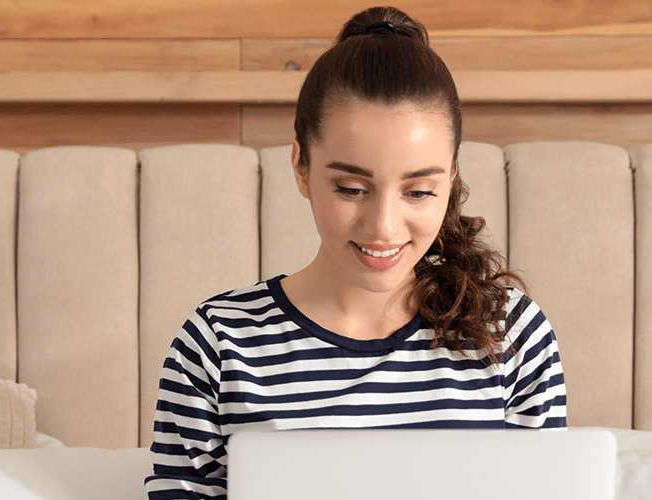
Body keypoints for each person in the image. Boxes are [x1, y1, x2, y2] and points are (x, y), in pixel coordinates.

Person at [145, 6, 567, 500]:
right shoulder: (218, 344)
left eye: (419, 191)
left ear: (451, 177)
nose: (384, 228)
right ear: (301, 167)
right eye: (350, 188)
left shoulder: (512, 333)